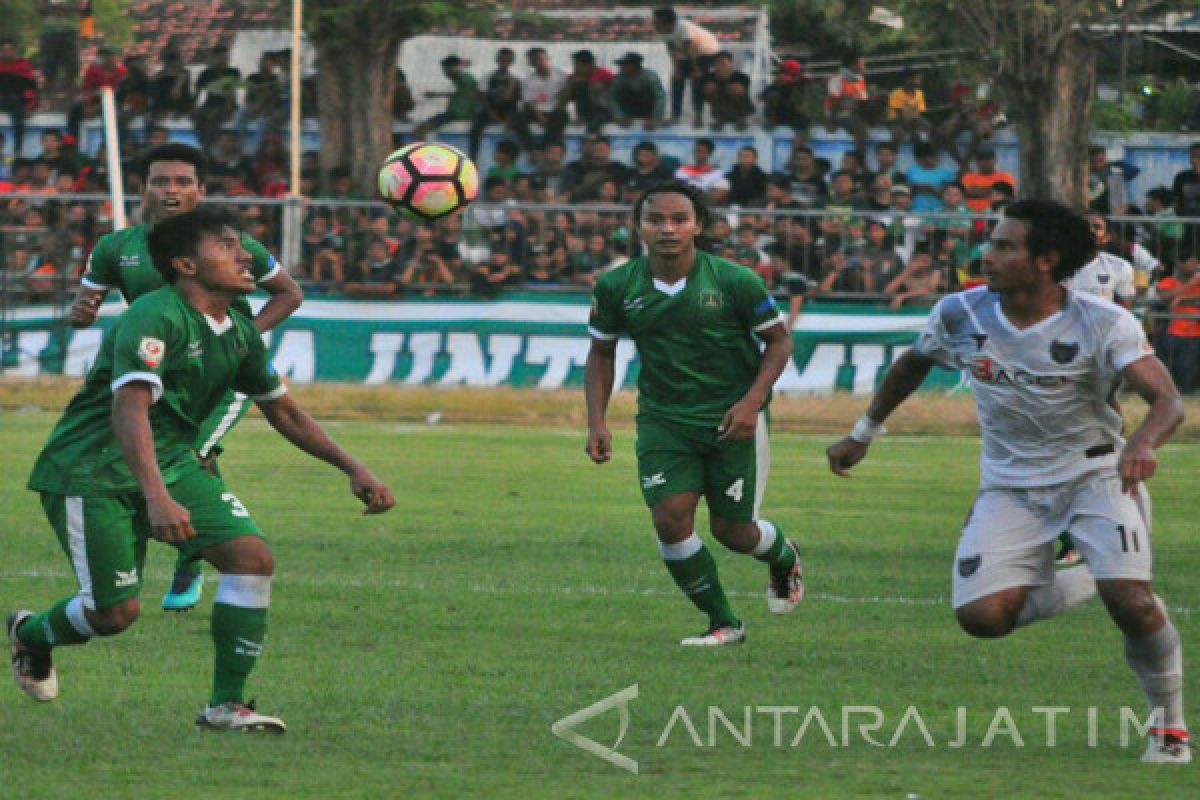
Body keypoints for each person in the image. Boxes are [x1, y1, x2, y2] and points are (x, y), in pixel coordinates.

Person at [827, 199, 1191, 764]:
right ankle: (1091, 578)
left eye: (1002, 245)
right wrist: (863, 431)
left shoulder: (1103, 321)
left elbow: (1167, 400)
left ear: (1045, 260)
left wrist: (1142, 445)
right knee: (982, 619)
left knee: (1135, 603)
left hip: (1096, 472)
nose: (986, 255)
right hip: (1009, 484)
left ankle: (1169, 727)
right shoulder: (960, 312)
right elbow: (912, 364)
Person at [7, 206, 394, 731]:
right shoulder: (153, 316)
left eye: (242, 246)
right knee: (113, 616)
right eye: (228, 247)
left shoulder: (238, 330)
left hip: (170, 463)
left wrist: (352, 467)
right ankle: (32, 634)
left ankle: (227, 705)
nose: (244, 256)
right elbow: (130, 409)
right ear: (186, 264)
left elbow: (283, 410)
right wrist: (157, 498)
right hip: (92, 472)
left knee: (251, 558)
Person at [65, 143, 304, 613]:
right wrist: (80, 313)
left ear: (200, 190)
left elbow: (289, 293)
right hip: (152, 371)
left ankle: (192, 549)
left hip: (221, 377)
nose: (170, 190)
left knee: (191, 451)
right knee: (156, 449)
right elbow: (84, 307)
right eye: (160, 182)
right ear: (143, 190)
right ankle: (181, 531)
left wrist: (240, 341)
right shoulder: (117, 247)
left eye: (181, 182)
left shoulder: (233, 245)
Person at [584, 182, 803, 647]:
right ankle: (724, 622)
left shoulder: (734, 281)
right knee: (670, 519)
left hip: (733, 420)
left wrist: (750, 403)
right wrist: (596, 422)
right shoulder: (616, 286)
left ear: (697, 225)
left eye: (679, 219)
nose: (667, 228)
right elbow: (601, 353)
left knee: (733, 532)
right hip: (664, 420)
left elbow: (779, 342)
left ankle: (783, 556)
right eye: (656, 219)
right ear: (638, 226)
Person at [652, 6, 719, 127]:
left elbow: (690, 51)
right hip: (687, 52)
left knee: (696, 80)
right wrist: (677, 69)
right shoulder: (663, 30)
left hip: (706, 51)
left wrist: (695, 70)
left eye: (656, 22)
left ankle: (698, 115)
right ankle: (675, 115)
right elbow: (672, 49)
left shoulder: (683, 27)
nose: (654, 24)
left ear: (667, 22)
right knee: (677, 80)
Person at [467, 48, 521, 162]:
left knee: (515, 126)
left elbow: (514, 100)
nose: (504, 63)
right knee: (475, 128)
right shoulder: (487, 77)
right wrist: (492, 114)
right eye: (502, 60)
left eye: (507, 61)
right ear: (497, 60)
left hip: (508, 111)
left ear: (511, 62)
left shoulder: (515, 80)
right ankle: (473, 158)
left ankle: (511, 157)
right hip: (489, 110)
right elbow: (480, 97)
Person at [413, 56, 478, 140]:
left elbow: (470, 94)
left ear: (455, 67)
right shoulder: (463, 78)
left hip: (457, 113)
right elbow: (459, 93)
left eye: (447, 69)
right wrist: (436, 95)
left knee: (420, 129)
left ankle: (422, 151)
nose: (445, 73)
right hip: (459, 112)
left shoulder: (464, 78)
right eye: (444, 70)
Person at [610, 52, 666, 130]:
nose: (622, 67)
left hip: (648, 111)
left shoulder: (650, 76)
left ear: (635, 65)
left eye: (625, 65)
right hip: (628, 113)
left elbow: (660, 98)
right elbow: (612, 98)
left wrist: (655, 119)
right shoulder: (619, 78)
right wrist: (620, 116)